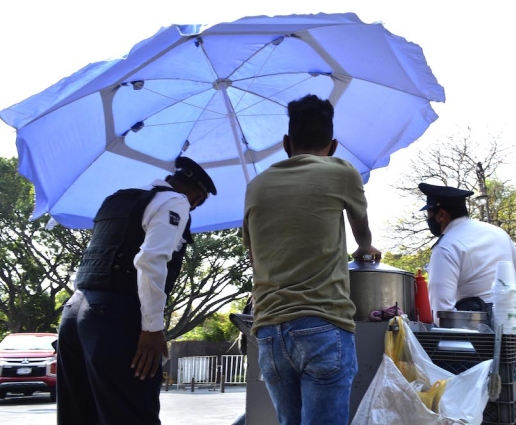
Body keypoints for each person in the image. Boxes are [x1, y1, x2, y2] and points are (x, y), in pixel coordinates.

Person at [243, 94, 381, 425]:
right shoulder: (341, 172)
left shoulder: (256, 185)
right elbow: (362, 235)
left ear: (286, 143)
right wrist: (367, 248)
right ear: (332, 145)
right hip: (322, 324)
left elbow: (253, 253)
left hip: (270, 333)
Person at [57, 157, 216, 425]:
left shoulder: (117, 200)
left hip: (74, 313)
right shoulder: (175, 202)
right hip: (115, 317)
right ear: (196, 198)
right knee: (132, 414)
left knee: (80, 414)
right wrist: (152, 329)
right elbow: (150, 261)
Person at [419, 182, 516, 425]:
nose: (429, 220)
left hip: (477, 336)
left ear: (441, 214)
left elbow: (440, 310)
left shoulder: (447, 245)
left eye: (429, 214)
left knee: (482, 413)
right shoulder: (497, 233)